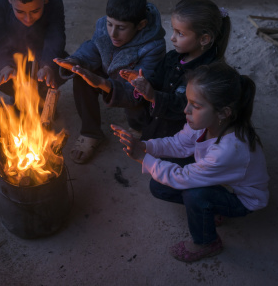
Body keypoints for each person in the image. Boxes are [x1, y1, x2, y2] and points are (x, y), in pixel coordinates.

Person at [112, 62, 269, 263]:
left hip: (243, 199)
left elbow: (182, 177)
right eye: (188, 101)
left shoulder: (230, 150)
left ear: (223, 113)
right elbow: (178, 144)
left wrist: (142, 158)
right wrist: (144, 146)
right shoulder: (204, 123)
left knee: (195, 194)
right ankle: (211, 209)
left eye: (195, 106)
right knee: (159, 186)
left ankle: (206, 242)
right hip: (221, 179)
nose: (186, 110)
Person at [54, 0, 166, 164]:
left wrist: (102, 83)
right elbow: (93, 48)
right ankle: (91, 132)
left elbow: (138, 91)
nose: (112, 33)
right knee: (81, 74)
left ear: (141, 25)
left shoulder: (154, 46)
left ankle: (138, 129)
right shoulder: (104, 27)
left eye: (121, 28)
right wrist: (76, 61)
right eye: (110, 24)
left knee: (140, 105)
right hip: (109, 75)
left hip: (135, 87)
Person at [120, 0, 231, 145]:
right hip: (159, 124)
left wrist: (153, 96)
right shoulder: (173, 57)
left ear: (204, 39)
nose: (172, 38)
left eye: (180, 33)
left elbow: (185, 106)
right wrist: (144, 82)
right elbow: (157, 79)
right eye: (173, 30)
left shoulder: (207, 73)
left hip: (182, 137)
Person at [0, 0, 67, 100]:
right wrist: (5, 66)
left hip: (41, 54)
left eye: (35, 11)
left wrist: (47, 66)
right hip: (12, 56)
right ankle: (18, 97)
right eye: (20, 12)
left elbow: (56, 35)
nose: (28, 19)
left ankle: (41, 99)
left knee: (61, 67)